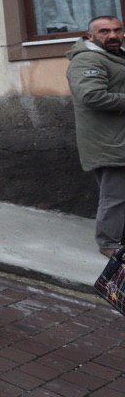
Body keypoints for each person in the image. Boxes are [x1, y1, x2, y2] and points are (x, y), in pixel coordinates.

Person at [66, 15, 125, 258]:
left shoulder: (116, 55)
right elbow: (91, 96)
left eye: (117, 30)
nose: (112, 35)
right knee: (115, 197)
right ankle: (109, 243)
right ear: (90, 36)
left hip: (119, 140)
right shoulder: (87, 60)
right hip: (108, 143)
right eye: (104, 31)